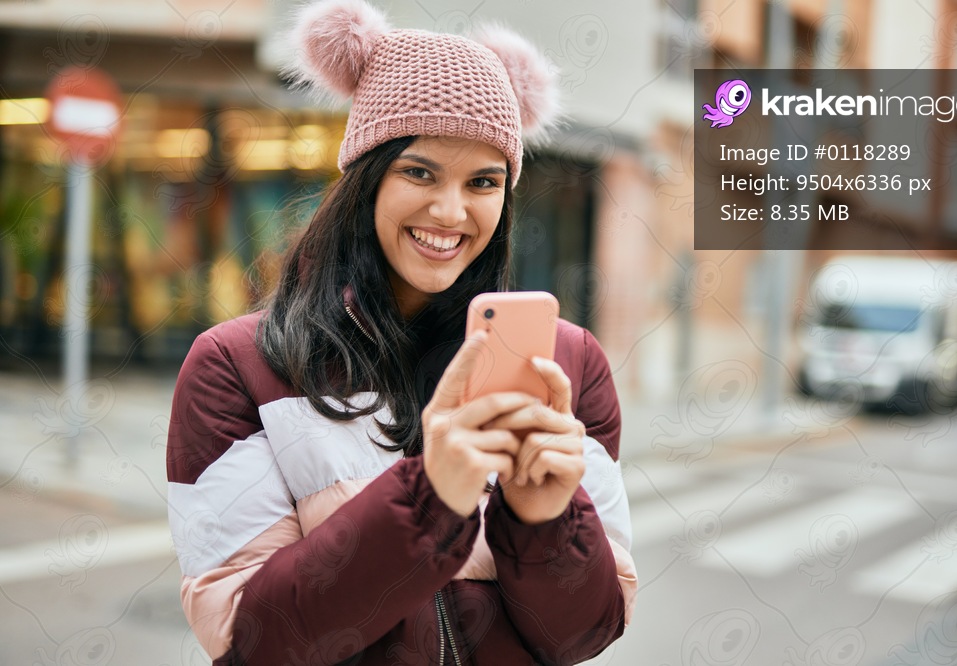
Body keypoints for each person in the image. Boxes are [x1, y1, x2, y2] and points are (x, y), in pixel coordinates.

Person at [165, 0, 637, 663]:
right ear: (367, 176)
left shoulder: (568, 364)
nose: (451, 211)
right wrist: (428, 501)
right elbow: (253, 640)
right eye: (420, 171)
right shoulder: (235, 367)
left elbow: (585, 633)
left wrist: (544, 518)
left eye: (483, 181)